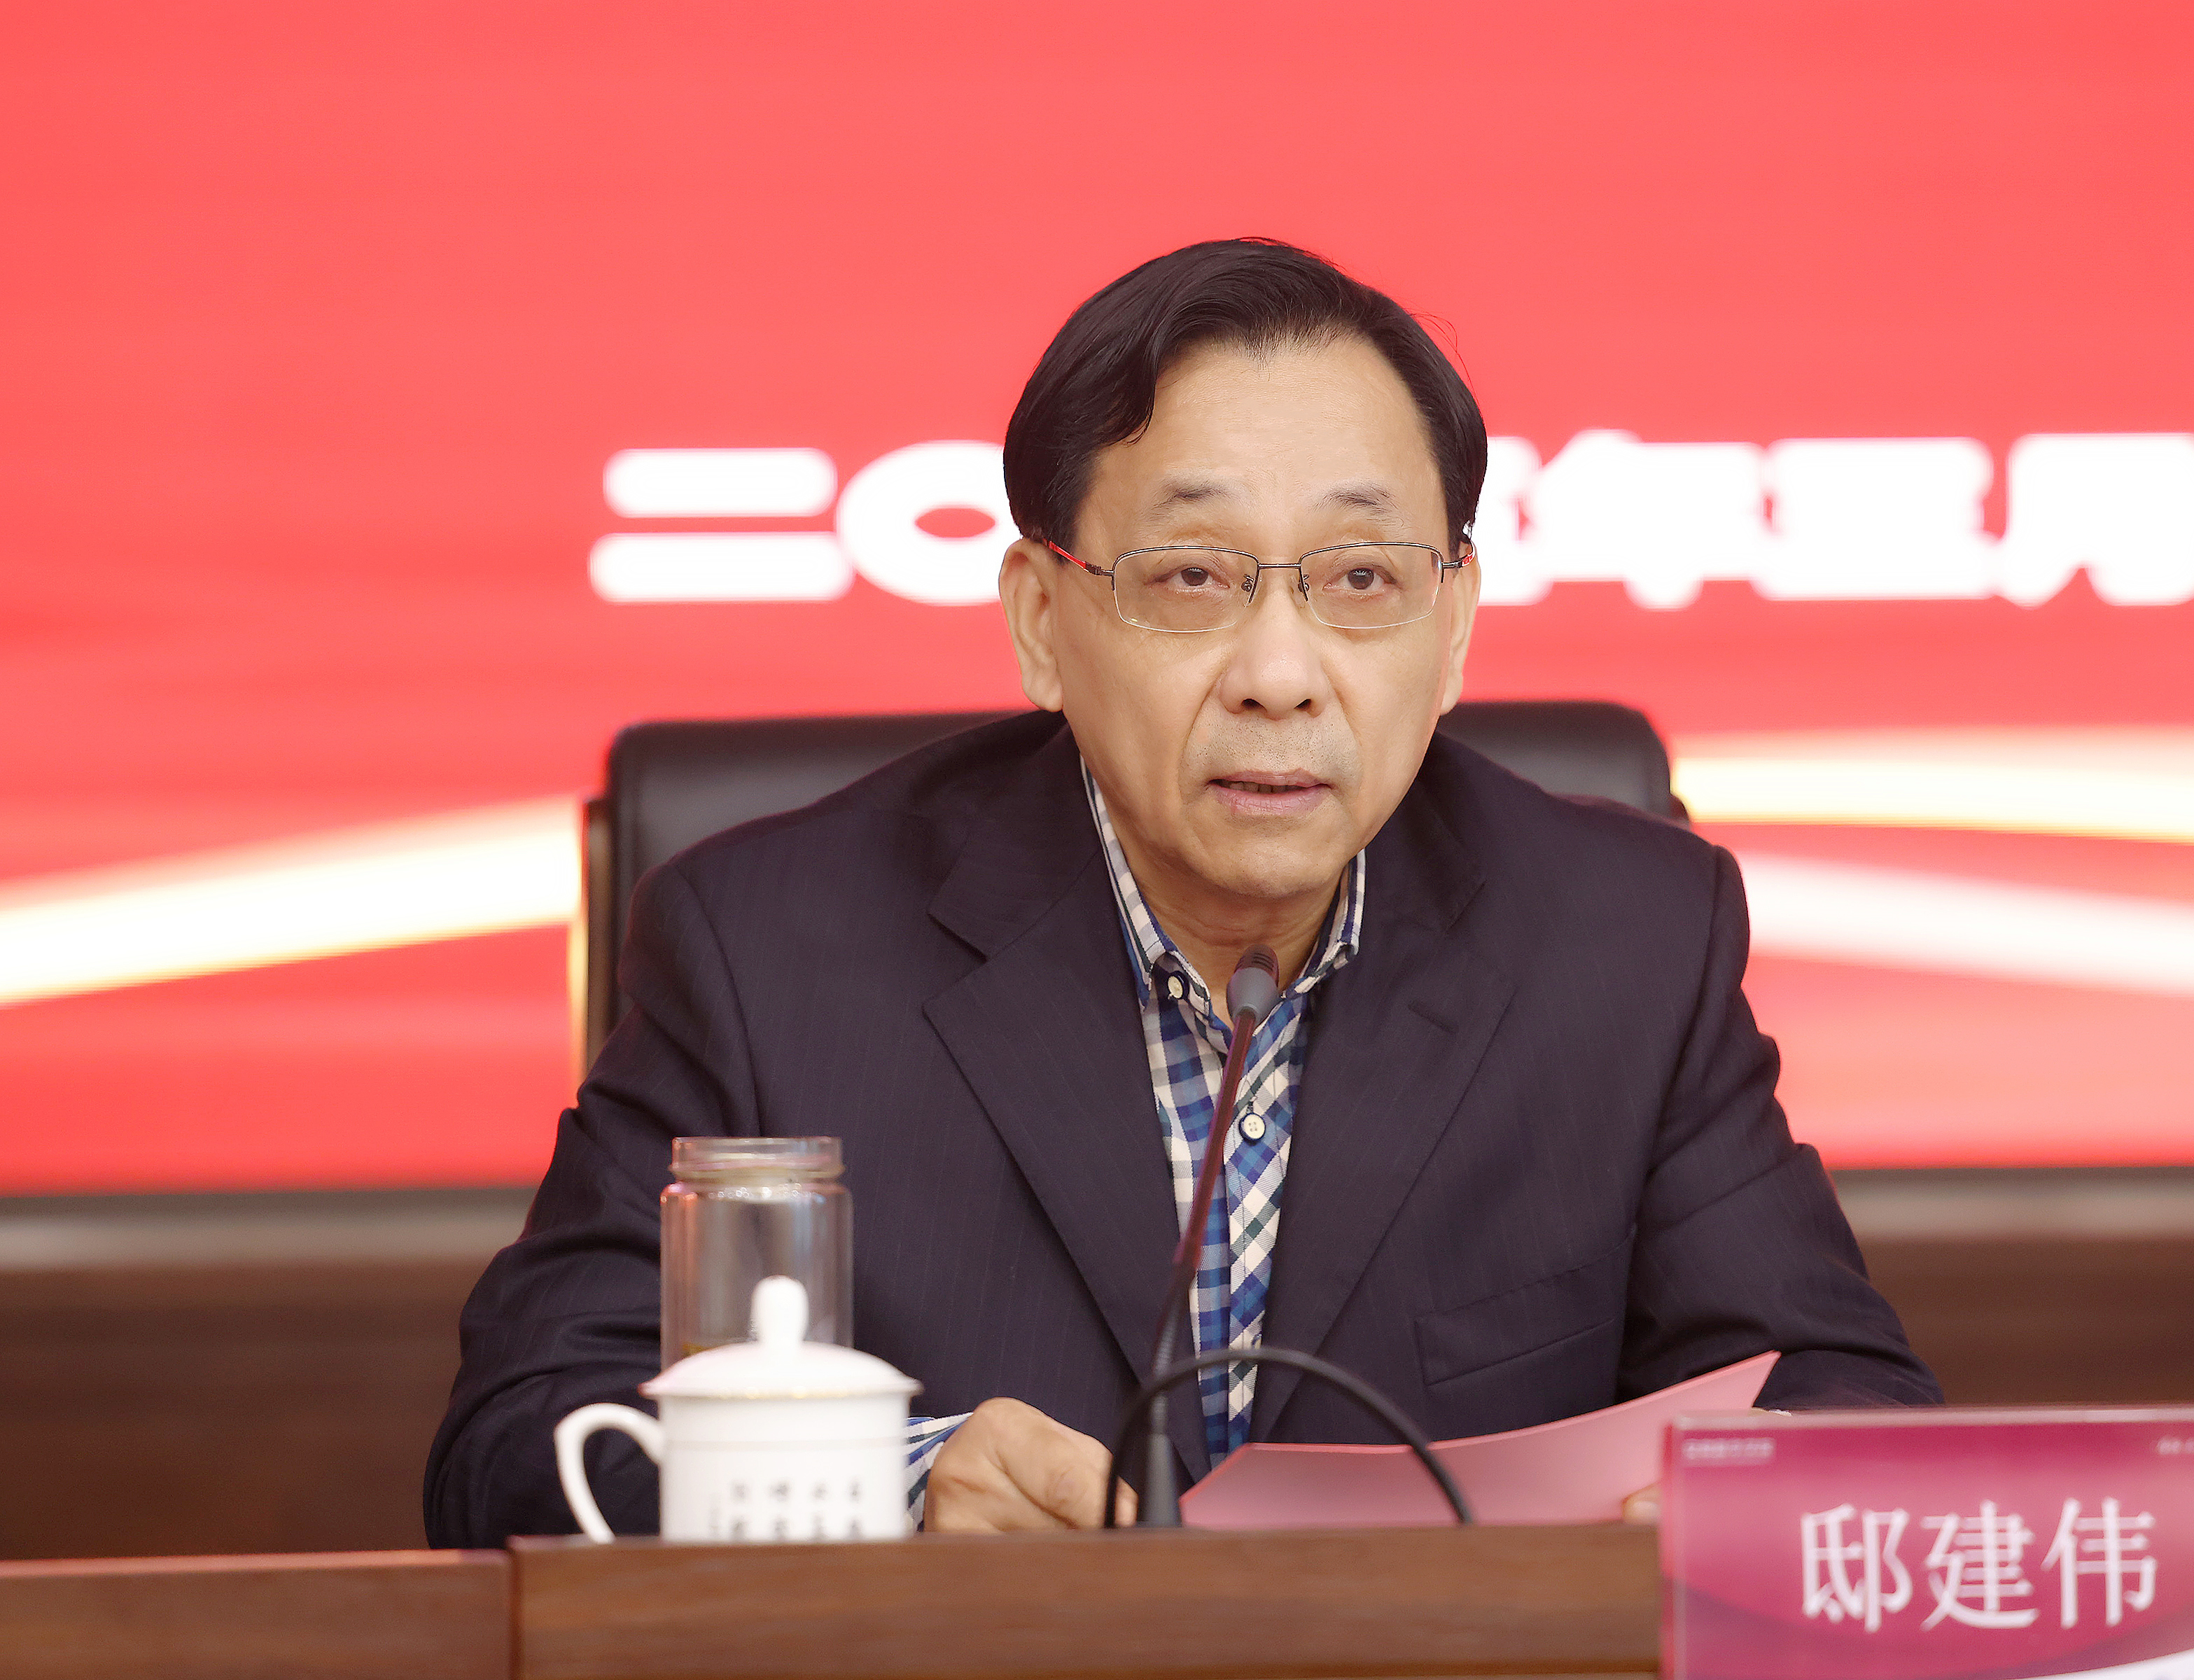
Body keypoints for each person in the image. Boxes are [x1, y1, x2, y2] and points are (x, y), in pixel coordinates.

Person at [424, 237, 1938, 1546]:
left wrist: (1741, 1510)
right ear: (1041, 621)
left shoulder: (1627, 943)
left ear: (1457, 624)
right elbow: (516, 1446)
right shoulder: (766, 953)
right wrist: (894, 1486)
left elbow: (1846, 1407)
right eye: (1194, 578)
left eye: (1361, 579)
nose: (1281, 676)